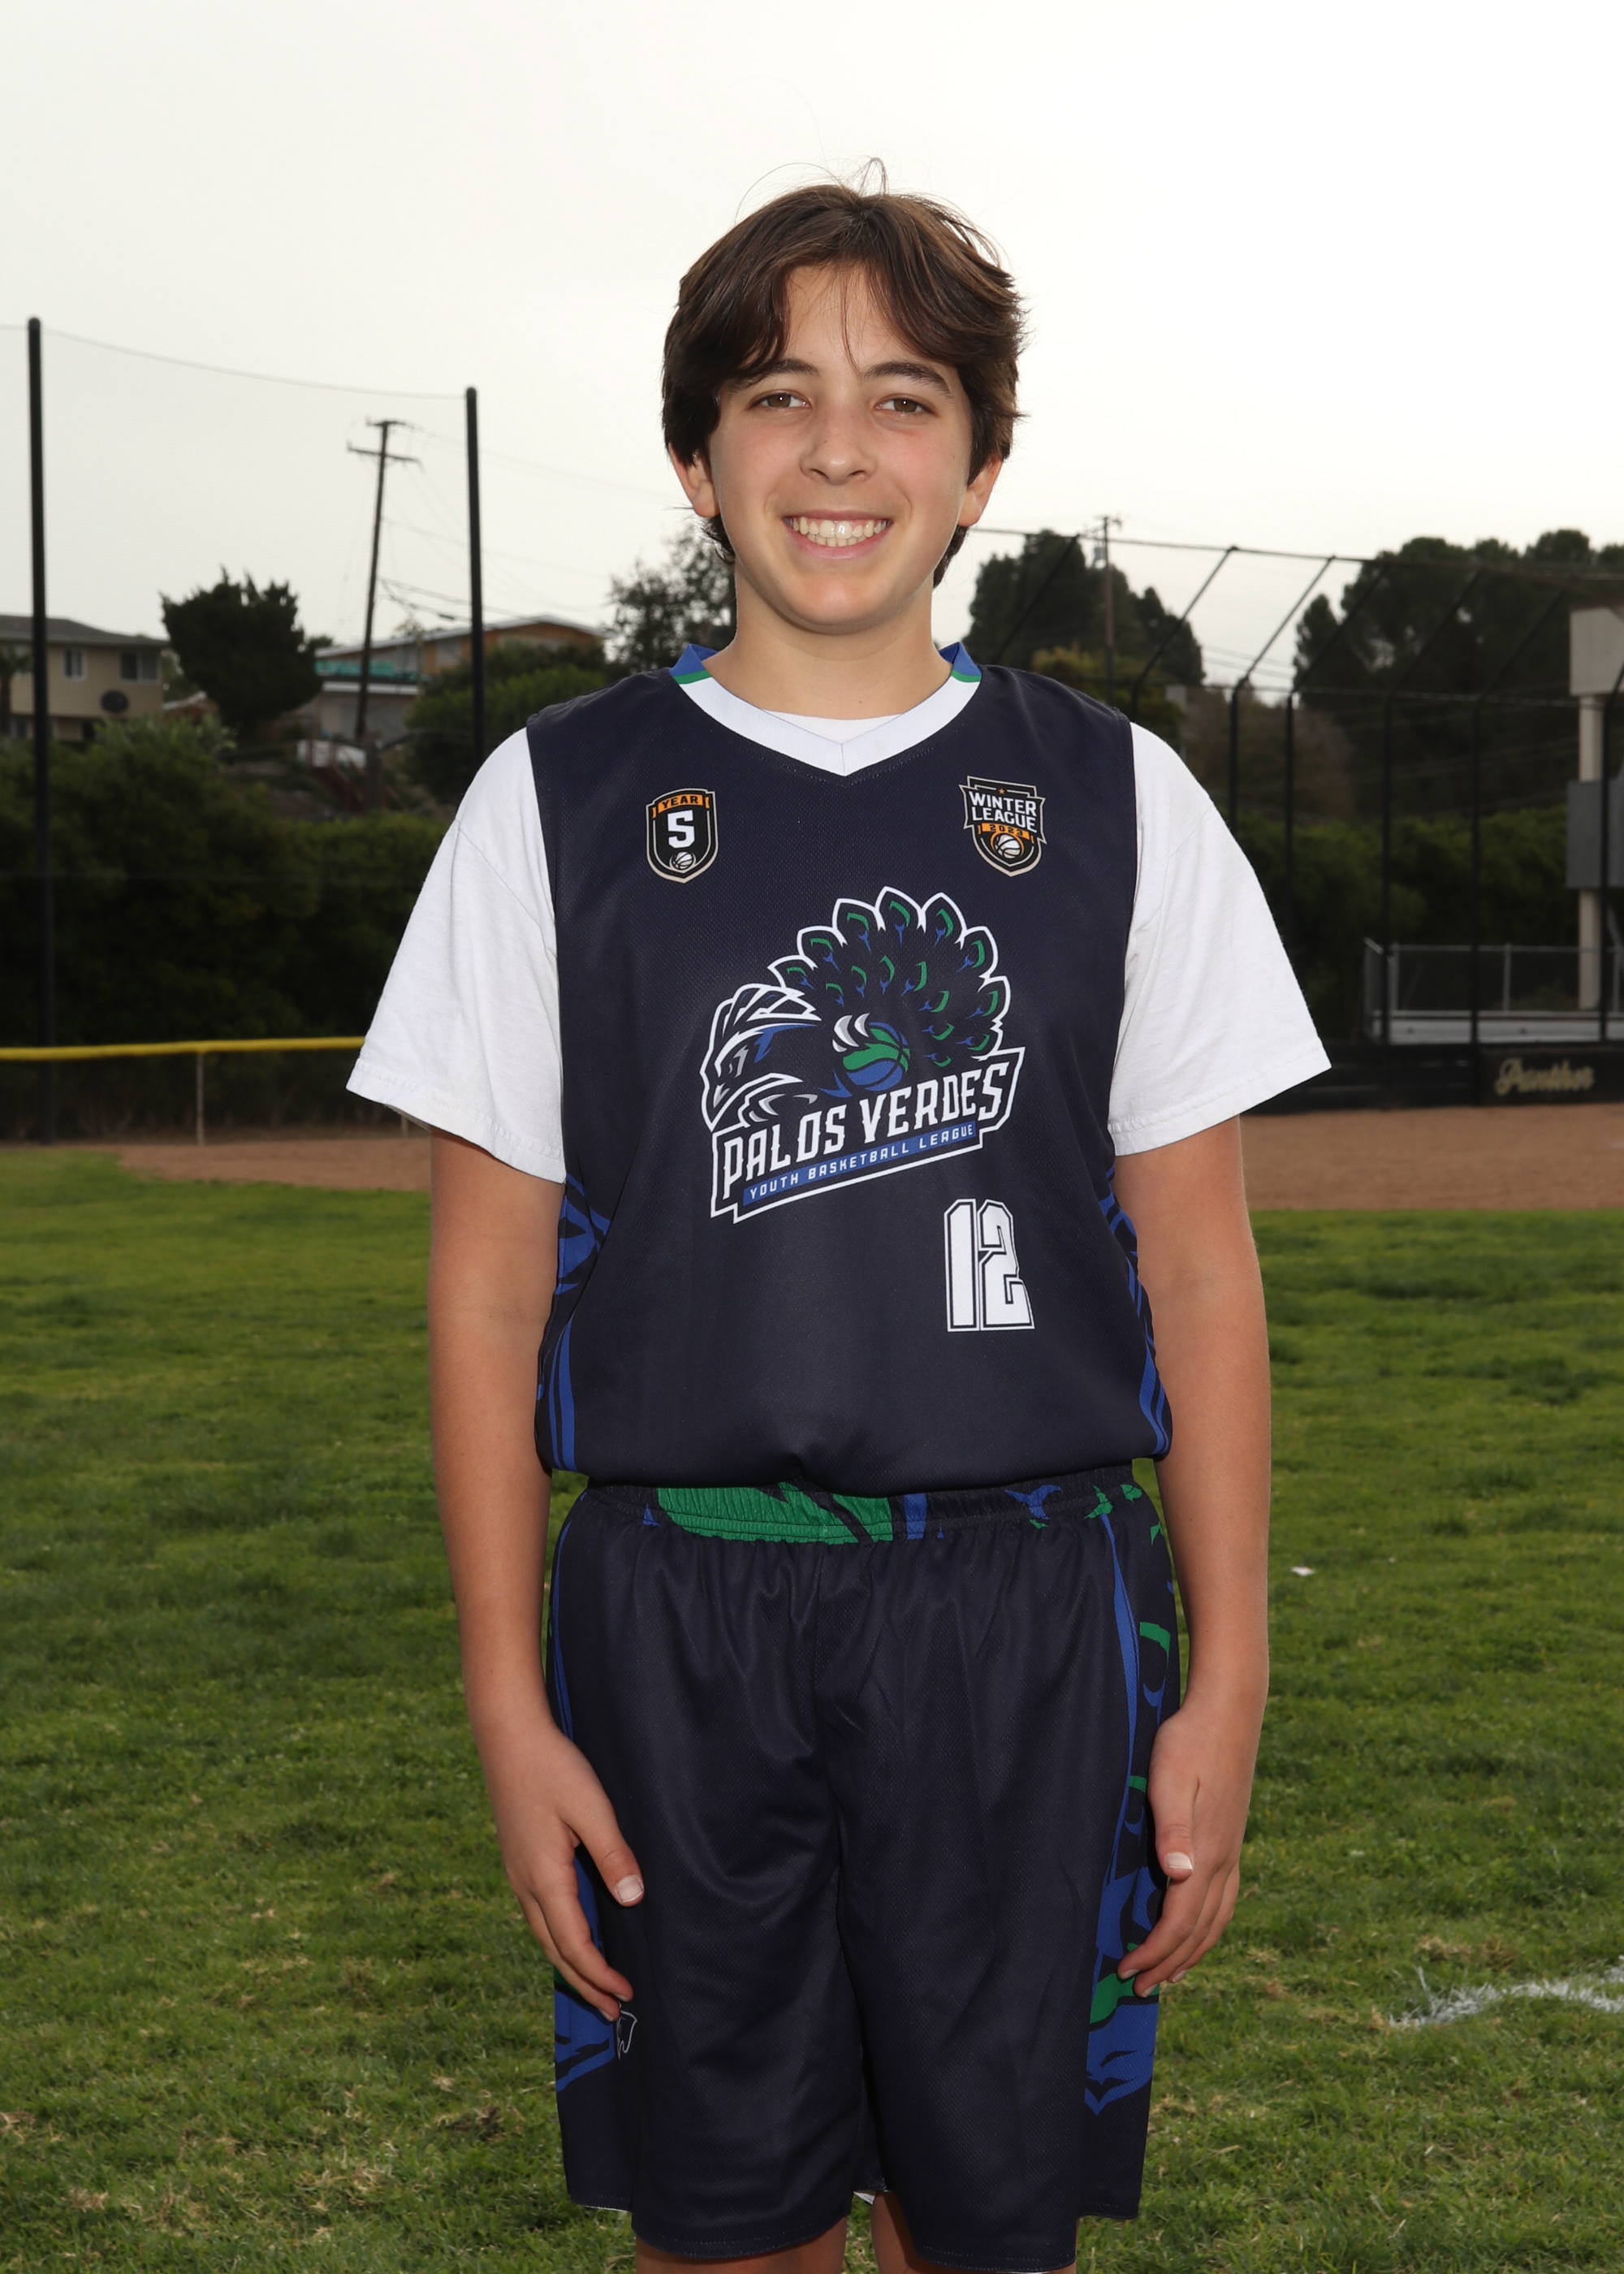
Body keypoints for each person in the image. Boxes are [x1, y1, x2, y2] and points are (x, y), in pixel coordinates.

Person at [349, 179, 1328, 2274]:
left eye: (904, 398)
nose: (839, 449)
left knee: (985, 2232)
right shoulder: (556, 803)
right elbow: (485, 1289)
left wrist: (1231, 1680)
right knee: (724, 2228)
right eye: (778, 394)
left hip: (1027, 1608)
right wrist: (509, 1697)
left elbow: (1201, 1272)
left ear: (981, 463)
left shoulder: (1121, 800)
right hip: (681, 1607)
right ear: (698, 456)